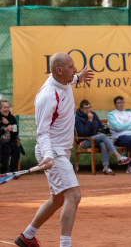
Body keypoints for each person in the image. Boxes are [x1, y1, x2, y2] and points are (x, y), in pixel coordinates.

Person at [14, 52, 94, 247]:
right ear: (59, 70)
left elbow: (69, 80)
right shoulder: (48, 97)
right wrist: (48, 156)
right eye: (71, 67)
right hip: (52, 151)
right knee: (74, 196)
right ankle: (65, 245)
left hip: (60, 151)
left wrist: (78, 78)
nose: (75, 70)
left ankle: (27, 236)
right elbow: (42, 133)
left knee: (58, 199)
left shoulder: (63, 81)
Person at [75, 99, 131, 175]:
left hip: (96, 139)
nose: (88, 110)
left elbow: (101, 126)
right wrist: (89, 121)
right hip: (85, 141)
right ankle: (118, 157)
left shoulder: (93, 114)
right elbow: (83, 133)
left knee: (103, 144)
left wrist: (100, 131)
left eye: (89, 107)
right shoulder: (77, 119)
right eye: (86, 108)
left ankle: (106, 168)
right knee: (102, 136)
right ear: (81, 109)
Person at [0, 100, 20, 174]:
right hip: (0, 143)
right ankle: (4, 171)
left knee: (16, 148)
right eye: (5, 107)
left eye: (8, 107)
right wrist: (4, 130)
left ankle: (13, 170)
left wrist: (8, 123)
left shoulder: (12, 118)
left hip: (8, 141)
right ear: (0, 109)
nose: (7, 109)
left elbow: (15, 133)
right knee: (6, 148)